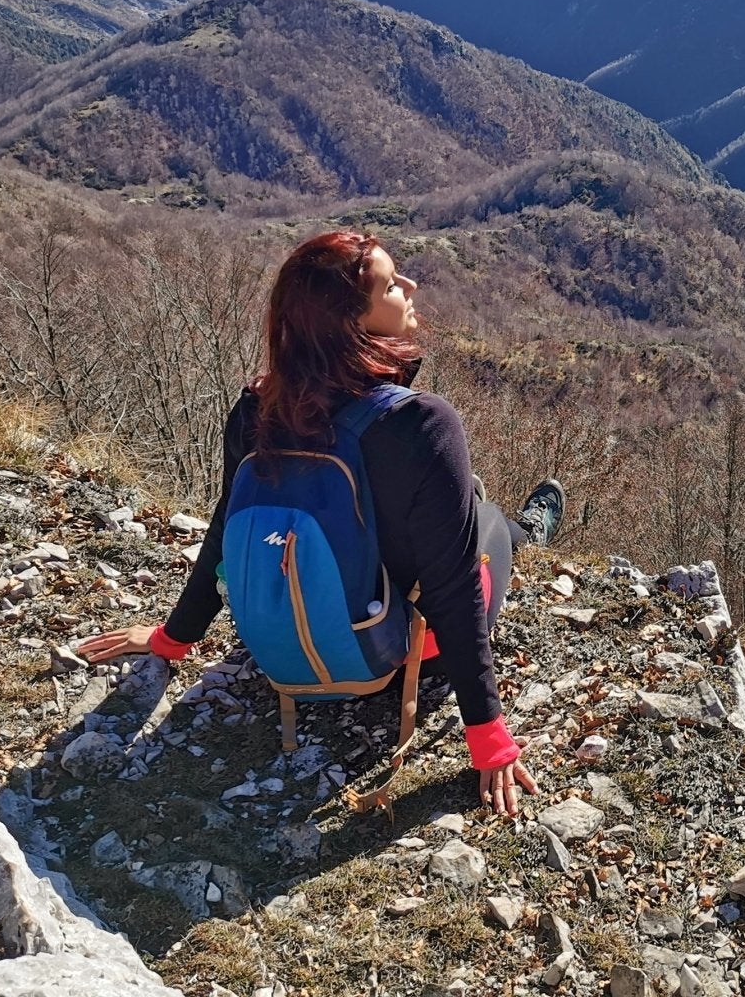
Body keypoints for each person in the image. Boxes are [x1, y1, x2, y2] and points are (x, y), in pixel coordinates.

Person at [79, 230, 566, 817]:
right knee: (486, 523)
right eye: (390, 285)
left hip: (286, 652)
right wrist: (488, 737)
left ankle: (471, 507)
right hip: (401, 651)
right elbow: (455, 590)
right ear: (350, 325)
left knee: (451, 510)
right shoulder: (424, 426)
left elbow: (224, 539)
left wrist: (170, 640)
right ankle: (525, 531)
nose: (409, 287)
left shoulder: (257, 410)